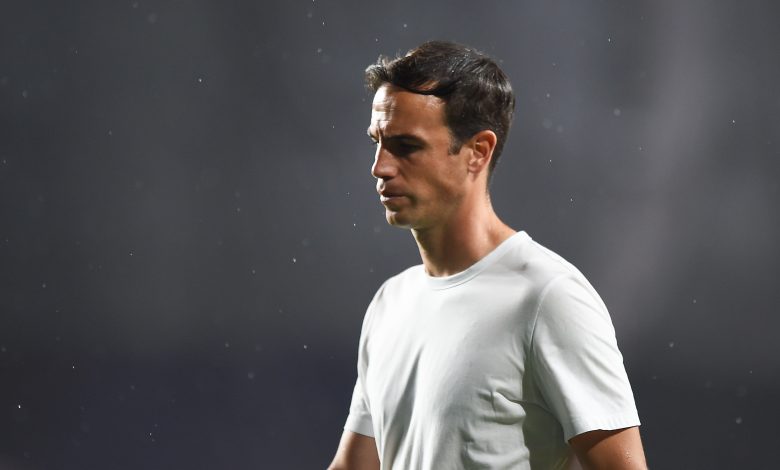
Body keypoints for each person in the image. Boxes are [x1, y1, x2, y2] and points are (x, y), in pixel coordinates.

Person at [328, 41, 647, 470]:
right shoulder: (391, 302)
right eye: (377, 142)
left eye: (406, 146)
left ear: (478, 151)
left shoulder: (548, 297)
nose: (380, 167)